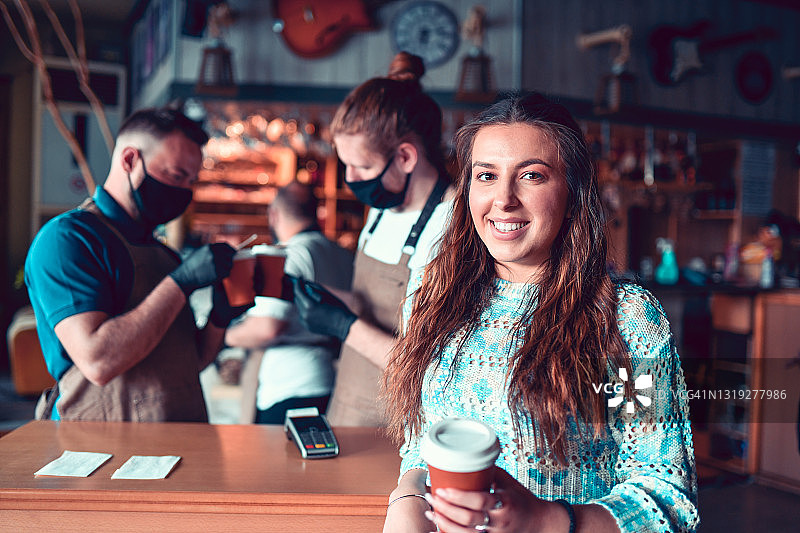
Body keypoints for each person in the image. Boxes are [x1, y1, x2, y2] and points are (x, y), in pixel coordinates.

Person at [381, 94, 698, 532]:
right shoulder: (433, 297)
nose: (504, 199)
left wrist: (546, 521)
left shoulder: (626, 320)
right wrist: (408, 498)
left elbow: (667, 499)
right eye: (486, 176)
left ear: (573, 190)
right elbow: (425, 448)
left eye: (532, 175)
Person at [25, 107, 243, 422]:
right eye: (175, 175)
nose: (183, 192)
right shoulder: (68, 239)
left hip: (182, 436)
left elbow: (188, 362)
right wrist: (181, 283)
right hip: (102, 450)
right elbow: (98, 362)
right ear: (130, 160)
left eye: (191, 181)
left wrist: (220, 317)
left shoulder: (164, 254)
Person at [291, 52, 455, 426]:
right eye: (345, 163)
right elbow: (374, 305)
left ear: (405, 157)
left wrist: (341, 325)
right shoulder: (383, 207)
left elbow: (429, 368)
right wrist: (309, 295)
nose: (350, 178)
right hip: (346, 404)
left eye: (362, 167)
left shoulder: (452, 223)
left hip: (396, 426)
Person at [224, 181, 354, 424]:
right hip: (331, 379)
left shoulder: (289, 254)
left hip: (289, 385)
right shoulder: (340, 254)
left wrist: (222, 337)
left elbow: (267, 329)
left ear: (273, 214)